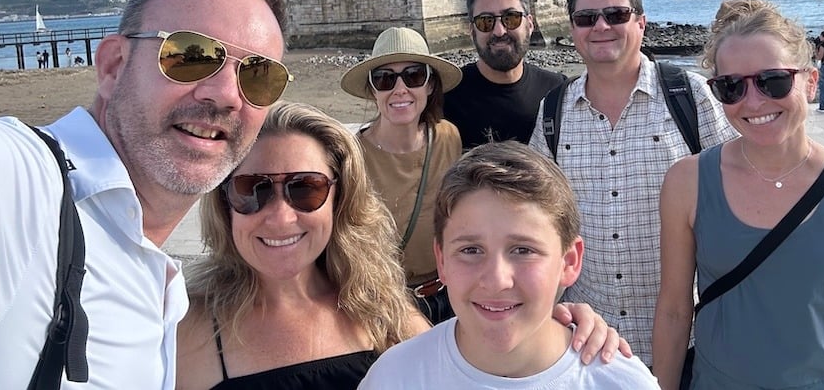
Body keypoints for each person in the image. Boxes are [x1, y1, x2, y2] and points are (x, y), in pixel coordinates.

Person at [0, 0, 289, 389]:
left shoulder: (163, 286)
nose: (225, 95)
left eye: (259, 76)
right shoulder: (20, 186)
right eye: (191, 55)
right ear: (112, 66)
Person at [652, 0, 824, 389]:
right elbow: (675, 312)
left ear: (810, 82)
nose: (754, 101)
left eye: (772, 80)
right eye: (731, 87)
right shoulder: (686, 183)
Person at [529, 0, 738, 366]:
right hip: (586, 346)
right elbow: (537, 216)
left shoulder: (687, 94)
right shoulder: (554, 112)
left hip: (693, 340)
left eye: (616, 15)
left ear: (641, 23)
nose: (601, 26)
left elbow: (740, 188)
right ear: (573, 30)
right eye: (587, 18)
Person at [358, 141, 660, 389]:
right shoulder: (393, 378)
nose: (497, 280)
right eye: (471, 250)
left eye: (523, 250)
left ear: (569, 261)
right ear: (442, 260)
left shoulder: (622, 382)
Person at [176, 102, 431, 390]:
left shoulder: (385, 312)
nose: (281, 218)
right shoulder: (186, 330)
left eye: (306, 188)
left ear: (340, 199)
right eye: (251, 189)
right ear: (224, 203)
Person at [340, 26, 464, 324]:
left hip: (451, 294)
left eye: (413, 76)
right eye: (384, 78)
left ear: (430, 86)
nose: (399, 89)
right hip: (387, 302)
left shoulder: (448, 138)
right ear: (373, 90)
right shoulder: (352, 156)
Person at [444, 0, 567, 149]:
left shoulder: (557, 92)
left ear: (530, 24)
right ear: (472, 31)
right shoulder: (446, 98)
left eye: (511, 18)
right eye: (485, 21)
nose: (499, 31)